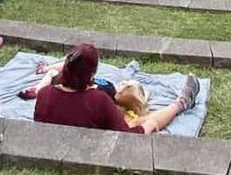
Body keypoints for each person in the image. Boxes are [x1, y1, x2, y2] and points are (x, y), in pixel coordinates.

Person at [34, 43, 199, 136]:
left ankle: (181, 103)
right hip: (91, 148)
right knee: (147, 122)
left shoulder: (44, 94)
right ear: (91, 74)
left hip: (62, 142)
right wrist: (147, 126)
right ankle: (181, 103)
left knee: (135, 120)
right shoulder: (99, 100)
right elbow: (126, 137)